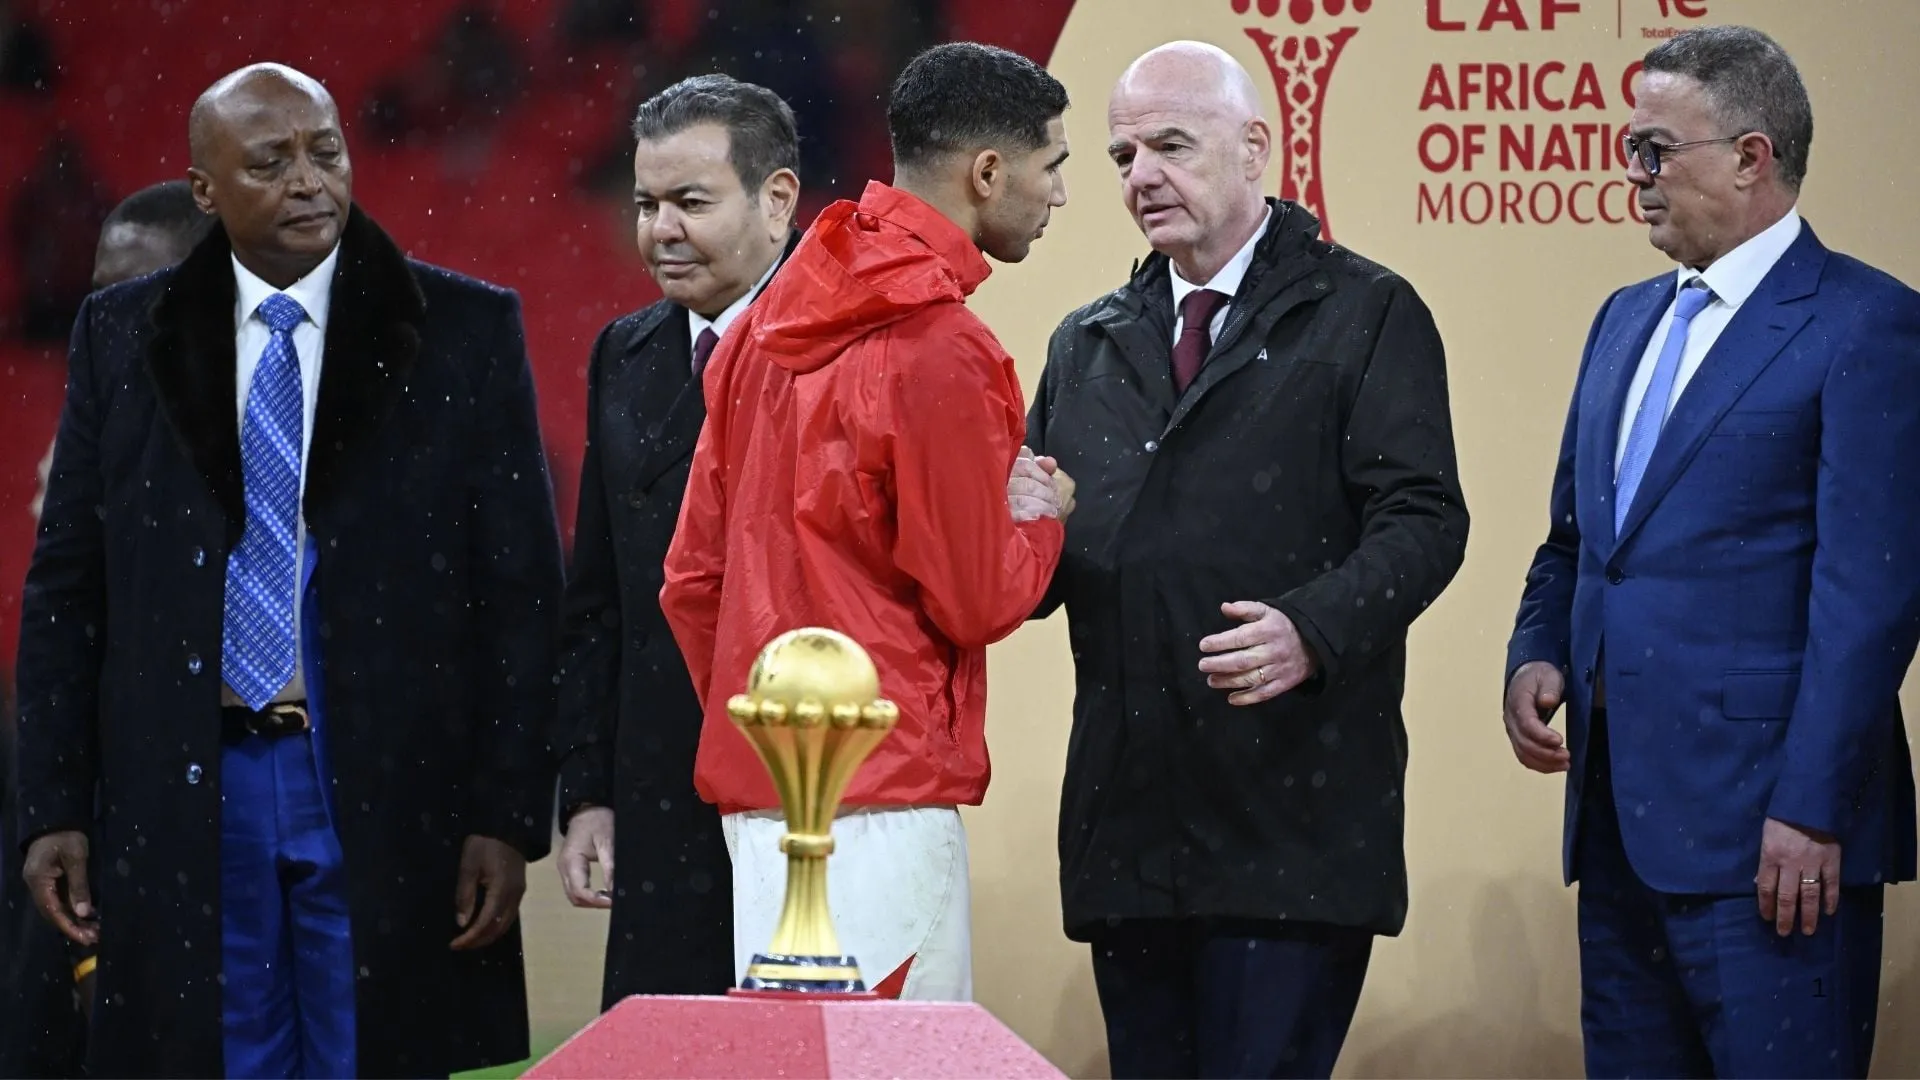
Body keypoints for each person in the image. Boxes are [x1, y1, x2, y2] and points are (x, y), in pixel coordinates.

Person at [13, 63, 563, 1078]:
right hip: (187, 771)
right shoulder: (123, 333)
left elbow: (521, 594)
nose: (310, 180)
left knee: (376, 1052)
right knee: (218, 1055)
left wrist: (505, 814)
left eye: (326, 151)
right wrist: (52, 803)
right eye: (271, 162)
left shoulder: (464, 331)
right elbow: (67, 590)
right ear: (205, 190)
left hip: (384, 774)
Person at [1024, 41, 1468, 1079]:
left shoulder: (1365, 313)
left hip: (1292, 826)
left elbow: (1424, 519)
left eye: (1171, 145)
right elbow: (1045, 561)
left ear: (1256, 147)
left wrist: (1313, 628)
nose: (1141, 176)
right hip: (1127, 830)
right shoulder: (1084, 344)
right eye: (1124, 153)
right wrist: (1015, 527)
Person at [1504, 25, 1920, 1079]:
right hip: (1616, 835)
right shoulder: (1624, 320)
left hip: (1775, 851)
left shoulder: (1867, 326)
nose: (1631, 175)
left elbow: (1869, 597)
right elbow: (1577, 542)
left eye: (1654, 150)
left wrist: (1812, 810)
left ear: (1751, 156)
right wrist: (1537, 647)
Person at [659, 41, 1073, 1002]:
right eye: (1053, 169)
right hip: (886, 797)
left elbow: (691, 583)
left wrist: (770, 729)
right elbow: (976, 598)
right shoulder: (947, 350)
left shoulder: (757, 332)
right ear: (987, 172)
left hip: (765, 804)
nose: (1059, 197)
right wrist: (1042, 518)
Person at [553, 73, 802, 1006]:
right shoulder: (625, 353)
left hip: (807, 790)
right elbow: (600, 598)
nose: (660, 229)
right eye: (647, 203)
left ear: (777, 200)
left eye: (691, 202)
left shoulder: (846, 349)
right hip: (660, 790)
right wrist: (587, 792)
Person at [1, 178, 213, 1080]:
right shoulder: (92, 440)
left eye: (140, 288)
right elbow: (69, 640)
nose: (113, 316)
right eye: (99, 293)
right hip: (92, 825)